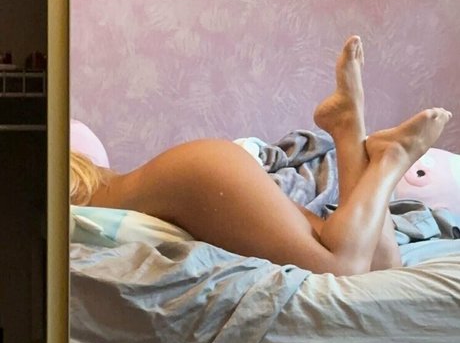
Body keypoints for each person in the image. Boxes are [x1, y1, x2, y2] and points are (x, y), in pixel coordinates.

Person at [70, 36, 452, 276]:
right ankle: (349, 130)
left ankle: (389, 159)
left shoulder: (56, 173)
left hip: (195, 176)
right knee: (381, 265)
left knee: (340, 268)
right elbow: (380, 270)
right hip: (199, 171)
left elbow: (343, 273)